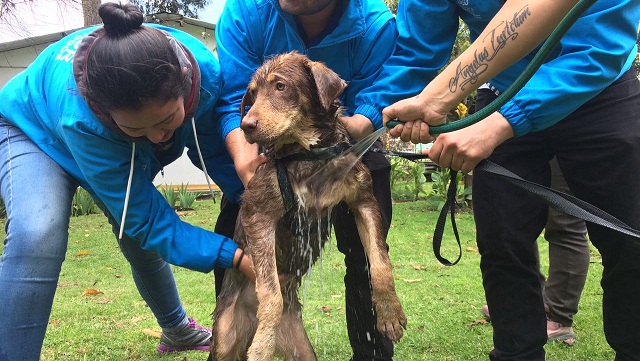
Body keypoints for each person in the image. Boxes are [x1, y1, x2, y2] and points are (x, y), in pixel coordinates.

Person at [380, 0, 640, 360]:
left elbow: (600, 44)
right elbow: (418, 49)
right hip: (502, 89)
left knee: (630, 240)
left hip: (598, 82)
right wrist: (369, 113)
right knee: (502, 239)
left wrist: (501, 122)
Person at [0, 3, 256, 360]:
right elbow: (147, 220)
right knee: (38, 232)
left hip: (107, 139)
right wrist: (233, 255)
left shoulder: (206, 73)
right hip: (30, 130)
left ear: (186, 84)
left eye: (167, 120)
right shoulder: (84, 119)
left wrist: (252, 196)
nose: (156, 139)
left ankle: (177, 330)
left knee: (140, 243)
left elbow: (210, 147)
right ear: (105, 112)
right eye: (136, 128)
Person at [204, 0, 398, 359]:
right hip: (272, 151)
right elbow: (234, 99)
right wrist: (244, 156)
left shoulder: (375, 23)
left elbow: (385, 85)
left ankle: (373, 351)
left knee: (364, 247)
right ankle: (242, 321)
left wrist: (363, 120)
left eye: (277, 87)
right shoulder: (247, 12)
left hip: (344, 132)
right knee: (236, 231)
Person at [481, 157, 590, 346]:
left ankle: (558, 315)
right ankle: (526, 304)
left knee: (565, 221)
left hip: (568, 134)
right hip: (520, 135)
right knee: (515, 222)